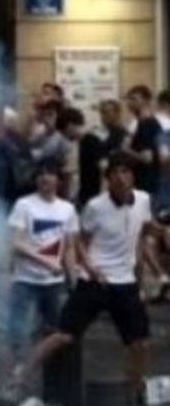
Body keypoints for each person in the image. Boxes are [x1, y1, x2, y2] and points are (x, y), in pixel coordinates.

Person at [15, 154, 158, 391]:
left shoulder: (143, 201)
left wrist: (158, 238)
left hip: (125, 281)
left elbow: (142, 231)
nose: (122, 179)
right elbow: (81, 242)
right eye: (117, 173)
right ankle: (20, 375)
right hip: (94, 280)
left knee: (140, 343)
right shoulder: (96, 207)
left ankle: (132, 391)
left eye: (126, 172)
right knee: (64, 335)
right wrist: (91, 268)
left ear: (133, 177)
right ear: (108, 178)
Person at [6, 163, 79, 363]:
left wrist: (72, 278)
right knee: (18, 331)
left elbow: (69, 247)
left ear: (58, 180)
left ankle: (48, 376)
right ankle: (18, 372)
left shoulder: (67, 209)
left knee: (55, 330)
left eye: (50, 174)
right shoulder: (24, 205)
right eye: (41, 174)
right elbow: (15, 244)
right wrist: (47, 263)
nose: (45, 178)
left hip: (53, 283)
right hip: (25, 279)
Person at [79, 99, 129, 207]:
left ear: (117, 113)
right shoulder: (93, 134)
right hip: (91, 182)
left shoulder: (123, 134)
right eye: (102, 112)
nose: (104, 115)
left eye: (108, 112)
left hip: (113, 181)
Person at [125, 85, 162, 196]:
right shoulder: (141, 123)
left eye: (134, 99)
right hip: (144, 184)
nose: (130, 103)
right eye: (129, 99)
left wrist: (126, 150)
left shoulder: (147, 124)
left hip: (146, 185)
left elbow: (147, 158)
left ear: (145, 101)